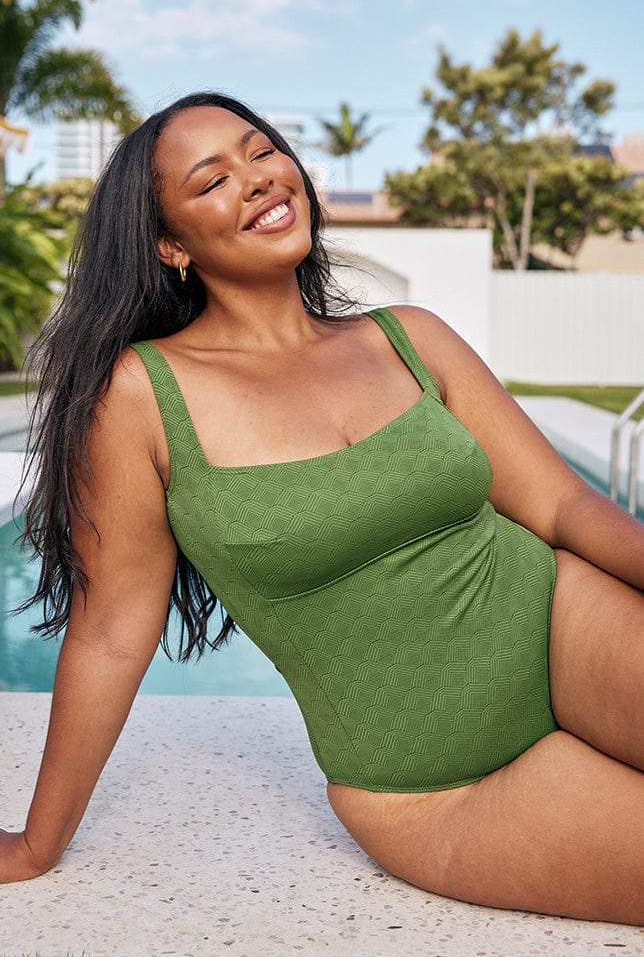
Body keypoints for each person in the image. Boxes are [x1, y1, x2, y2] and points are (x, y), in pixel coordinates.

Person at [0, 92, 642, 925]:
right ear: (171, 245)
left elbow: (559, 506)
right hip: (436, 787)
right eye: (213, 180)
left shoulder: (410, 338)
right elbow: (111, 633)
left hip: (564, 627)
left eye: (262, 152)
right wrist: (39, 842)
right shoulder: (142, 397)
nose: (259, 182)